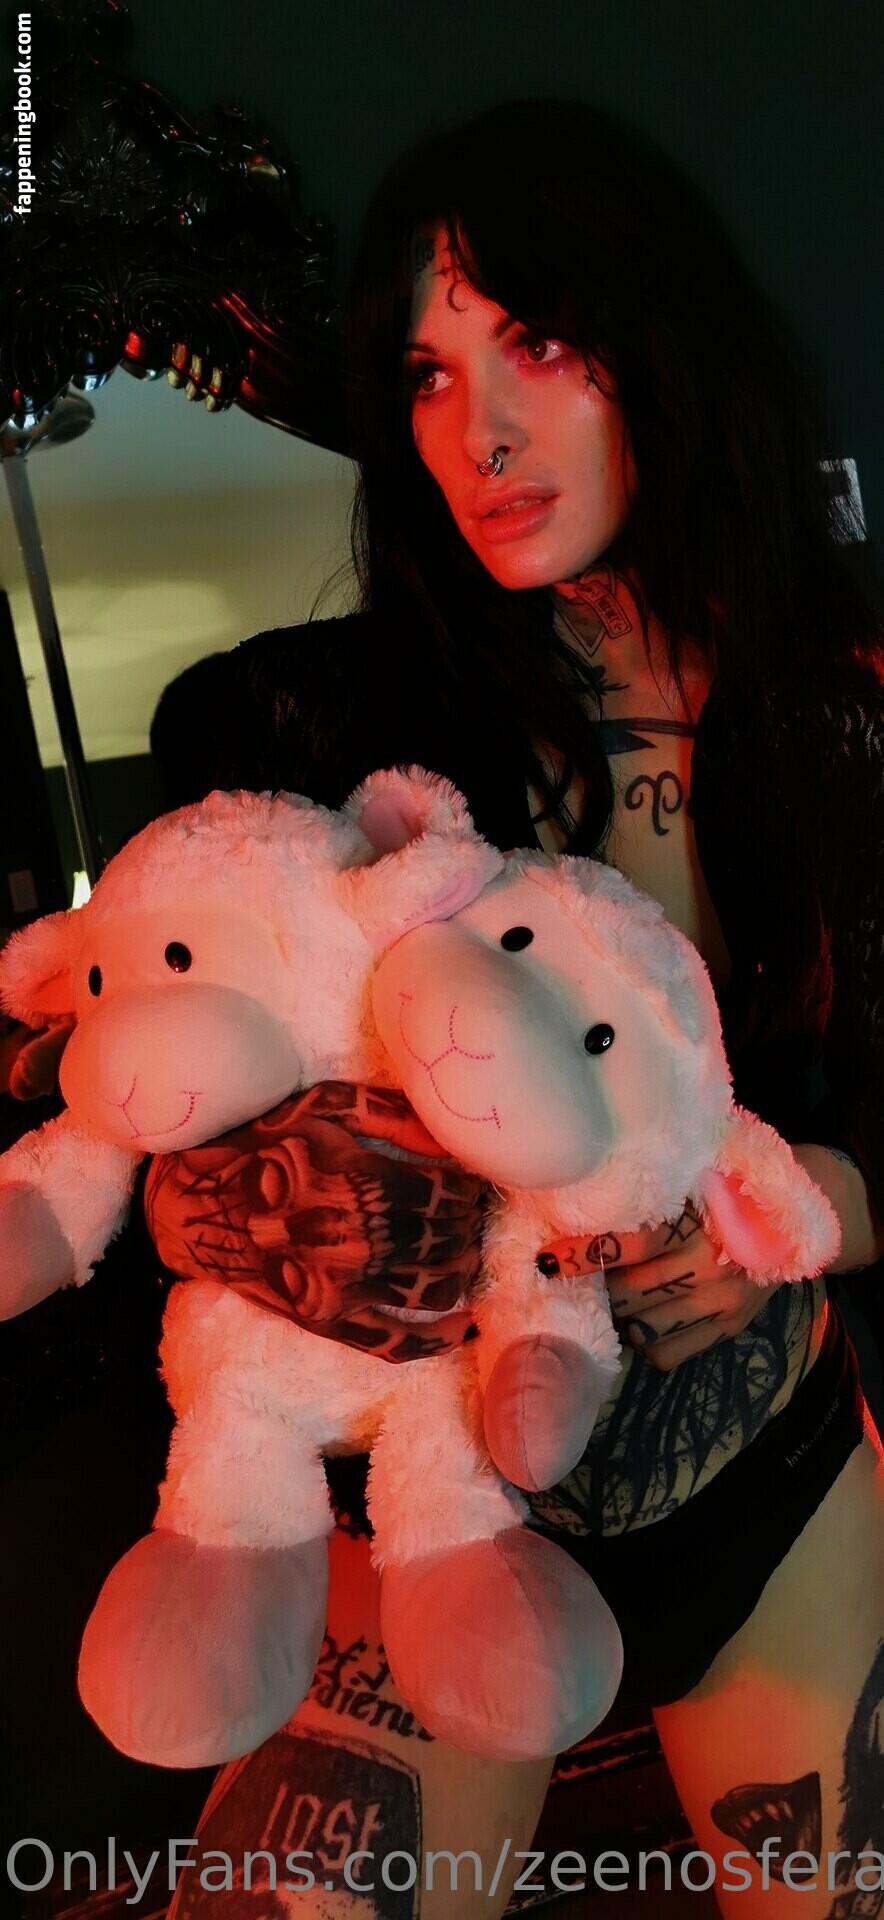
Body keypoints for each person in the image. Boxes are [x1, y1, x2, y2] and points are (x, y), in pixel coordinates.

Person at [154, 100, 883, 1917]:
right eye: (427, 371)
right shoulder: (316, 735)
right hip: (439, 1509)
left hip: (769, 1460)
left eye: (537, 344)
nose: (475, 432)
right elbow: (177, 1103)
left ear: (667, 344)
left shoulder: (845, 712)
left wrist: (810, 1213)